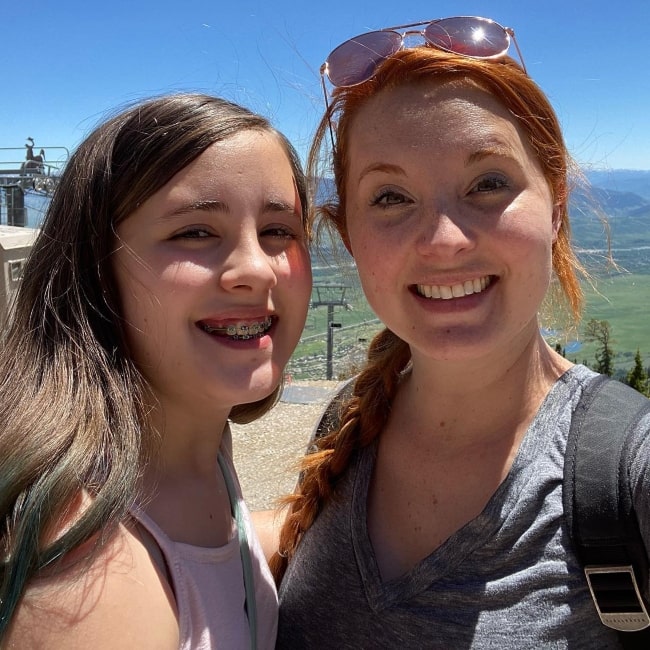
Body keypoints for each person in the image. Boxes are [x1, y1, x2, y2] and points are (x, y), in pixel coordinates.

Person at [271, 16, 650, 648]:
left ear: (556, 209)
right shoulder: (350, 423)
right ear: (349, 236)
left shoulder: (626, 473)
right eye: (390, 197)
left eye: (488, 184)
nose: (444, 241)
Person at [0, 92, 312, 648]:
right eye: (194, 232)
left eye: (278, 231)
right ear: (96, 272)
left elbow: (212, 559)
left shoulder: (190, 443)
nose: (255, 269)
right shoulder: (91, 576)